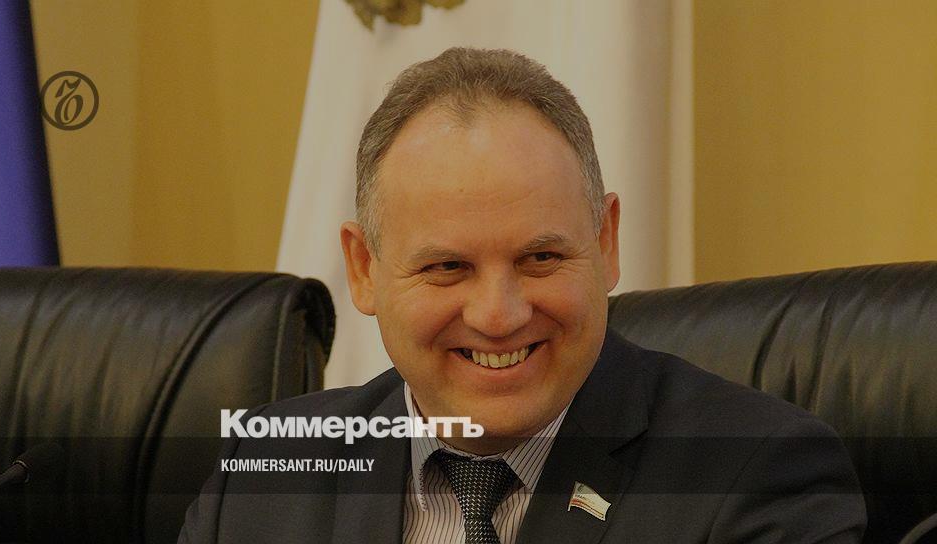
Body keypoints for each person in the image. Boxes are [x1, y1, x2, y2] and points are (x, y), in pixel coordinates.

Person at [179, 47, 865, 543]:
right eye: (447, 267)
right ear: (363, 269)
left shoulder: (754, 477)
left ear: (606, 242)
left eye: (540, 258)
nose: (498, 315)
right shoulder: (262, 480)